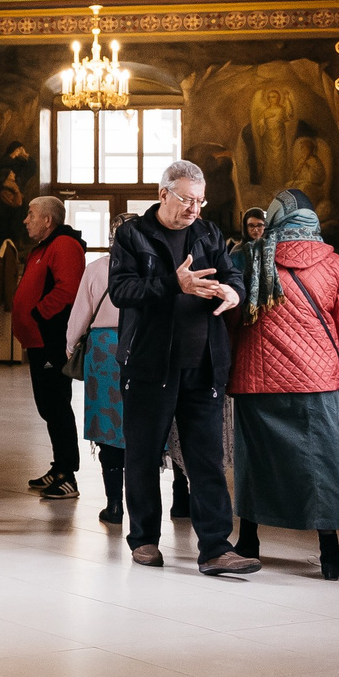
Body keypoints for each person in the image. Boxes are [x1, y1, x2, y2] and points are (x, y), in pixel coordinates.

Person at [109, 159, 258, 575]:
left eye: (200, 200)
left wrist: (232, 291)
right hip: (148, 363)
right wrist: (174, 284)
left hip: (204, 363)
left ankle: (215, 548)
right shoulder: (133, 234)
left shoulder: (208, 233)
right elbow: (121, 291)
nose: (195, 208)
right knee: (141, 454)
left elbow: (232, 275)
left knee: (206, 458)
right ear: (163, 194)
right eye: (187, 199)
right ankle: (143, 541)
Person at [229, 189, 339, 579]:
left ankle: (249, 541)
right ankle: (329, 554)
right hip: (316, 378)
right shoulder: (333, 263)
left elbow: (230, 319)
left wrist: (223, 372)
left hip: (256, 377)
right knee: (321, 464)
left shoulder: (251, 258)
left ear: (275, 219)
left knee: (256, 462)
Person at [13, 195, 88, 500]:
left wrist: (38, 315)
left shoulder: (64, 245)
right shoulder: (44, 248)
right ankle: (59, 468)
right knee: (48, 407)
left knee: (56, 406)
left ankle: (68, 475)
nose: (25, 220)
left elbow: (68, 291)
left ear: (47, 220)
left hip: (51, 341)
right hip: (38, 341)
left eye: (30, 214)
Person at [60, 245, 124, 525]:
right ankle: (162, 502)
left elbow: (81, 312)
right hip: (145, 346)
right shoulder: (155, 264)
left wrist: (71, 343)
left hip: (103, 351)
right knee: (144, 424)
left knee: (107, 426)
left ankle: (114, 505)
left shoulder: (98, 268)